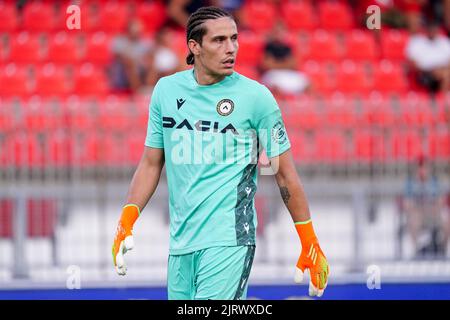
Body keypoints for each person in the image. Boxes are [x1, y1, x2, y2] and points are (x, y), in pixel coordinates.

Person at [111, 6, 329, 300]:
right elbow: (151, 163)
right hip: (181, 245)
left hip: (230, 240)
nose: (231, 49)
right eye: (219, 40)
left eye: (234, 38)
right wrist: (127, 218)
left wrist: (309, 240)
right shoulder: (166, 91)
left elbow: (285, 175)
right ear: (194, 46)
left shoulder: (257, 98)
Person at [403, 155, 447, 257]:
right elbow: (407, 204)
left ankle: (442, 250)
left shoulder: (434, 182)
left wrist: (432, 207)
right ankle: (417, 251)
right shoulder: (410, 183)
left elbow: (441, 201)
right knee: (413, 220)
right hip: (418, 215)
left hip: (433, 214)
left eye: (425, 167)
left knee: (447, 221)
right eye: (420, 167)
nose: (422, 170)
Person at [260, 22, 310, 96]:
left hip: (287, 73)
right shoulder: (268, 46)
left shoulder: (288, 47)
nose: (279, 33)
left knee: (307, 83)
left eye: (281, 31)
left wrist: (276, 64)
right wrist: (285, 64)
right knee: (276, 86)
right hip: (273, 74)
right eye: (277, 31)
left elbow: (293, 65)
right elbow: (266, 65)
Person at [109, 19, 153, 93]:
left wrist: (147, 61)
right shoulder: (119, 41)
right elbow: (119, 57)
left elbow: (147, 57)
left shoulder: (143, 43)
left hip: (140, 70)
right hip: (122, 73)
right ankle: (137, 91)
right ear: (128, 30)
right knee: (130, 64)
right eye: (135, 30)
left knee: (152, 62)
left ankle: (149, 89)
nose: (138, 33)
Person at [405, 21, 450, 93]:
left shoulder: (445, 42)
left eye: (434, 29)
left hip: (442, 71)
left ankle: (442, 99)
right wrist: (431, 70)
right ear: (426, 29)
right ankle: (442, 100)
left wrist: (440, 70)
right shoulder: (416, 41)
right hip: (423, 73)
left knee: (446, 74)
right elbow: (413, 63)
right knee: (446, 75)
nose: (432, 31)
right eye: (430, 29)